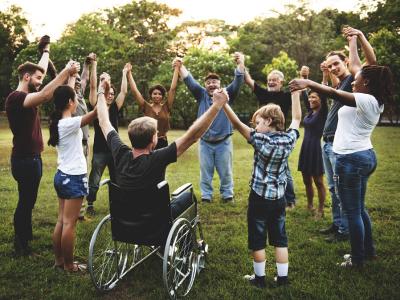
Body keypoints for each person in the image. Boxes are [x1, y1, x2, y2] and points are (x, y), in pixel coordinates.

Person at [289, 26, 393, 267]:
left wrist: (308, 82)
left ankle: (357, 259)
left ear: (366, 82)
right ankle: (368, 251)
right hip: (362, 156)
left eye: (356, 80)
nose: (353, 82)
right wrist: (355, 40)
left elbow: (333, 93)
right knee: (359, 208)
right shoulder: (371, 98)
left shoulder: (365, 99)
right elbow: (358, 66)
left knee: (352, 211)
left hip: (351, 159)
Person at [96, 76, 229, 218]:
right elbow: (193, 136)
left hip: (125, 220)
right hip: (155, 220)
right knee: (188, 198)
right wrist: (216, 106)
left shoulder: (120, 152)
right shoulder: (158, 158)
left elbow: (104, 121)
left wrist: (100, 91)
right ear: (153, 139)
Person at [221, 86, 301, 288]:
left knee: (257, 238)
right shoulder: (289, 139)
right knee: (280, 238)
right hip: (279, 198)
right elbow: (297, 119)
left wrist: (224, 104)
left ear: (268, 121)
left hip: (259, 198)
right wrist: (295, 95)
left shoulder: (260, 139)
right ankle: (283, 279)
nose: (255, 126)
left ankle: (259, 279)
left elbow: (237, 124)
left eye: (257, 122)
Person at [5, 44, 80, 255]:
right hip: (24, 160)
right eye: (38, 78)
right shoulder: (16, 98)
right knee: (25, 201)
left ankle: (25, 236)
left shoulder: (26, 95)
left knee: (28, 200)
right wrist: (67, 71)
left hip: (32, 159)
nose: (41, 82)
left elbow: (42, 76)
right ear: (26, 77)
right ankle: (20, 246)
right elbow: (47, 94)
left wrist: (45, 51)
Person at [178, 53, 245, 203]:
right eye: (208, 82)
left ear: (219, 84)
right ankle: (206, 196)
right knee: (205, 172)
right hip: (205, 142)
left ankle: (227, 195)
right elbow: (189, 80)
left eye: (215, 81)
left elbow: (238, 80)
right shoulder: (201, 95)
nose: (212, 84)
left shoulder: (227, 94)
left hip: (224, 142)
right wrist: (180, 65)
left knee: (226, 171)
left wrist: (241, 63)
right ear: (205, 85)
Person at [48, 85, 97, 272]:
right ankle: (69, 265)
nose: (78, 100)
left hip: (62, 176)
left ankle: (60, 261)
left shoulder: (61, 121)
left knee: (62, 220)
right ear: (70, 102)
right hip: (73, 177)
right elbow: (95, 113)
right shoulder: (70, 123)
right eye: (75, 98)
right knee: (69, 223)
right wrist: (102, 90)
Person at [244, 68, 300, 209]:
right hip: (262, 136)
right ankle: (264, 192)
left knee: (284, 170)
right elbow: (249, 81)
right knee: (262, 165)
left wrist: (296, 91)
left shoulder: (286, 96)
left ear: (281, 82)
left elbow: (296, 114)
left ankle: (290, 199)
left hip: (279, 138)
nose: (271, 82)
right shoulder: (263, 93)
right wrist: (242, 66)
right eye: (269, 80)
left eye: (274, 80)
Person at [85, 62, 129, 215]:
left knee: (117, 179)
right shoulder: (97, 106)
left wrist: (124, 73)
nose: (110, 95)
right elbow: (92, 88)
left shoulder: (116, 108)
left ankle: (117, 205)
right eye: (108, 93)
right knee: (95, 180)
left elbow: (123, 92)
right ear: (103, 94)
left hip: (115, 150)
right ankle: (90, 204)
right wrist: (95, 68)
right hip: (99, 151)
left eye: (112, 93)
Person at [128, 58, 180, 149]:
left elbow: (172, 89)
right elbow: (135, 91)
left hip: (163, 142)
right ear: (151, 95)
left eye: (160, 94)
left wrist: (177, 68)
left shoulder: (166, 106)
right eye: (155, 93)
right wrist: (129, 73)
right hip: (148, 142)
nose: (157, 96)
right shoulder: (146, 106)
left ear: (163, 96)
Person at [297, 66, 328, 218]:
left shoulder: (323, 112)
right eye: (310, 97)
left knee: (318, 181)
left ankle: (321, 210)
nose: (310, 99)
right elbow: (304, 95)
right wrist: (303, 76)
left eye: (314, 97)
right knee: (306, 179)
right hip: (305, 148)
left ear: (321, 100)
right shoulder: (310, 111)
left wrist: (324, 75)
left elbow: (323, 90)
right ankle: (309, 205)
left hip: (316, 148)